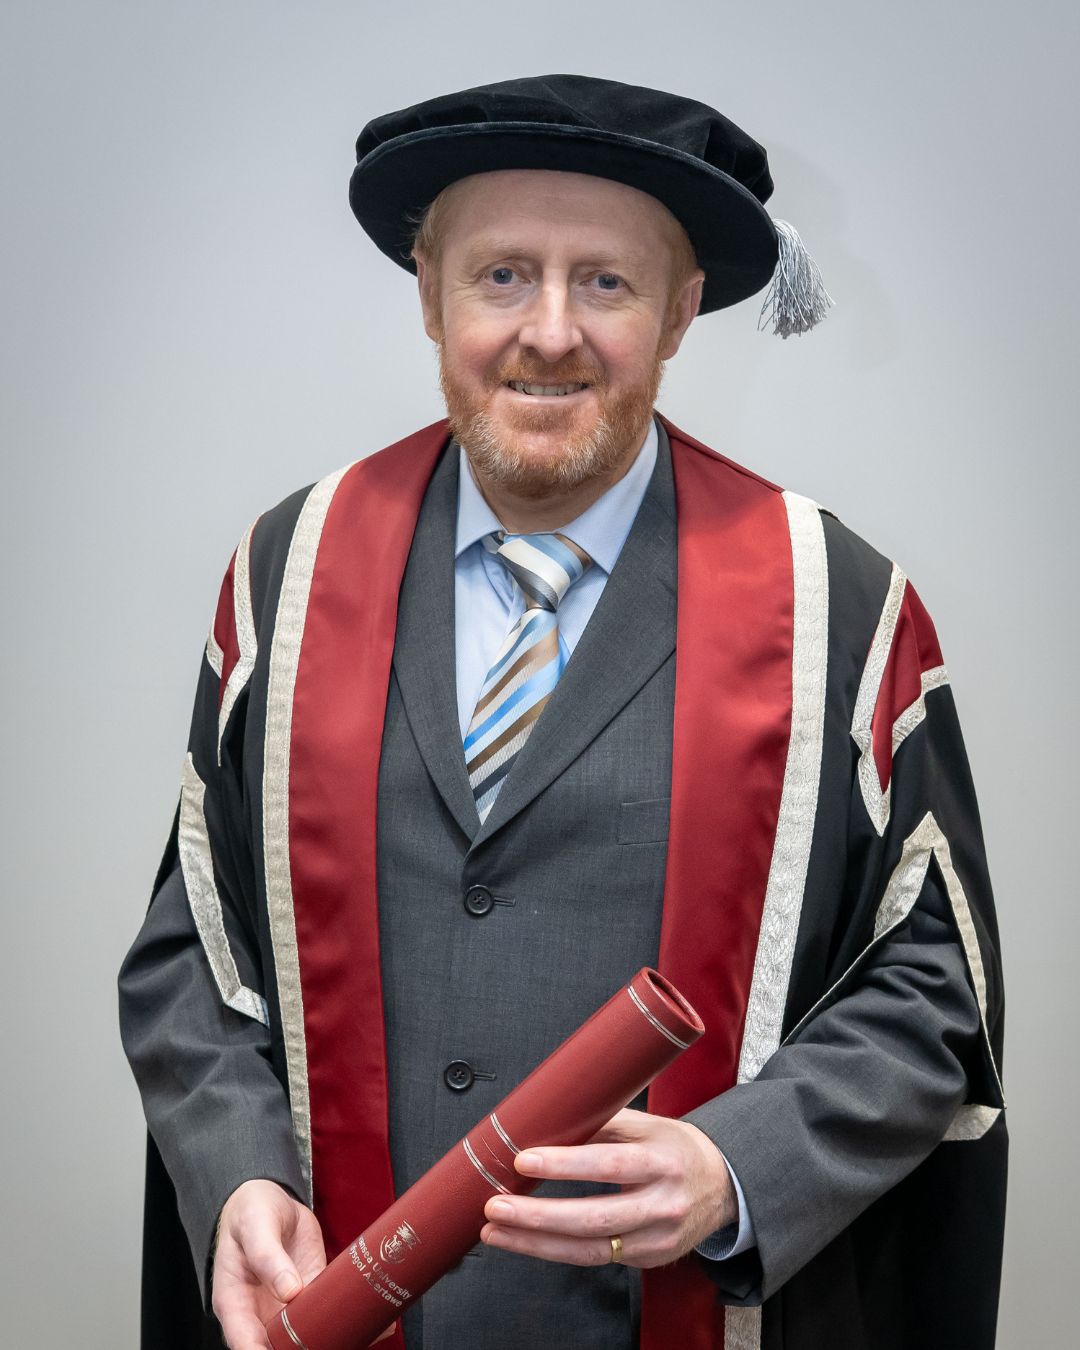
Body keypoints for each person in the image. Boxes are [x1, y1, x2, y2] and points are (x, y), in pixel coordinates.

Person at [118, 74, 1007, 1350]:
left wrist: (739, 1169)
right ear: (429, 295)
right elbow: (192, 952)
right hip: (351, 1311)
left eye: (605, 282)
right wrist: (240, 1175)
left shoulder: (835, 605)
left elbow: (934, 986)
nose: (548, 332)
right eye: (499, 277)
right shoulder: (292, 572)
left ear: (682, 312)